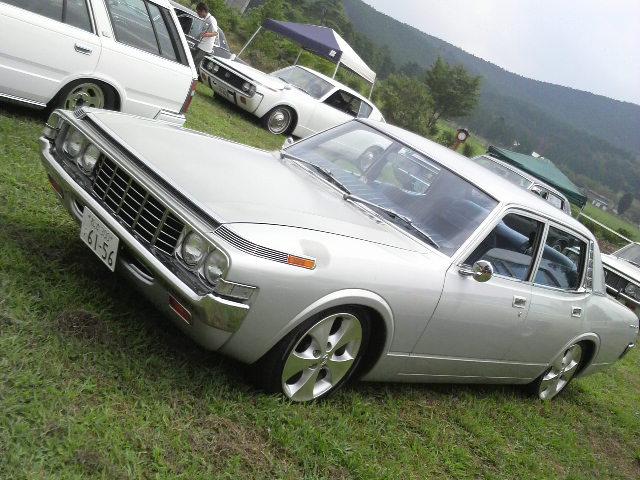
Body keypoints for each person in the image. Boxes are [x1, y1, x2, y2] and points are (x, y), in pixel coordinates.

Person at [193, 3, 218, 70]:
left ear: (203, 11)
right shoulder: (205, 19)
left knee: (194, 64)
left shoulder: (211, 19)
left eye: (198, 12)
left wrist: (205, 34)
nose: (197, 14)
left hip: (204, 47)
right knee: (193, 62)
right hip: (200, 44)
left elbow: (215, 33)